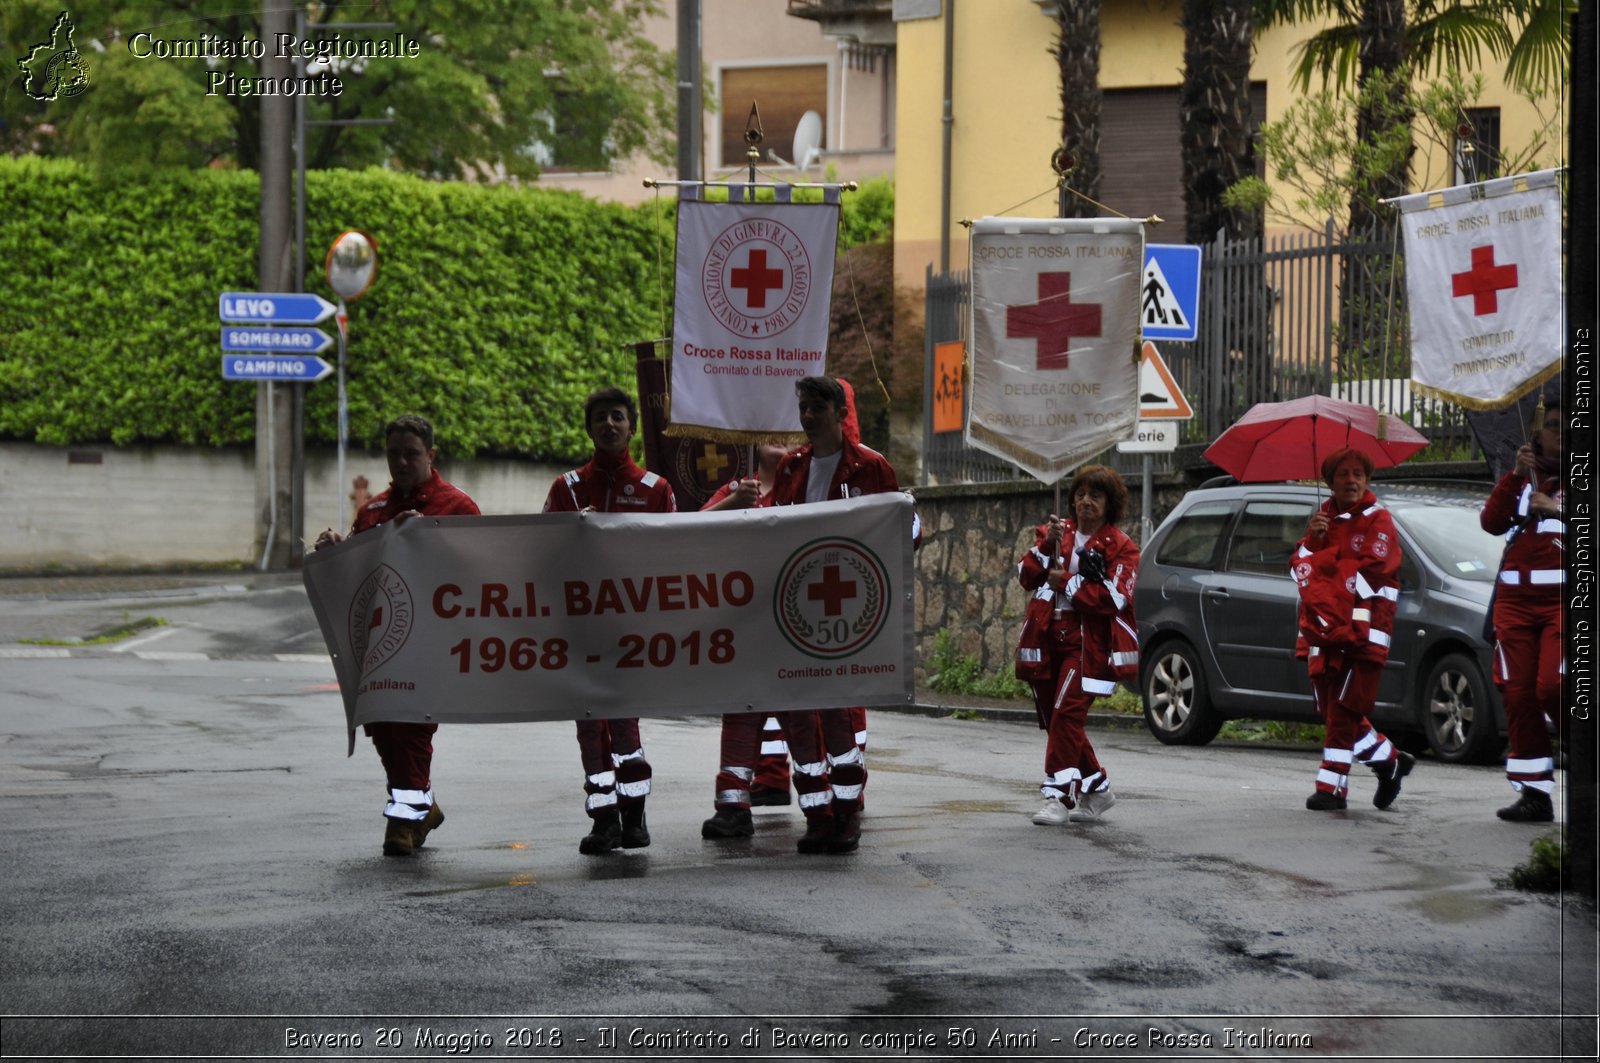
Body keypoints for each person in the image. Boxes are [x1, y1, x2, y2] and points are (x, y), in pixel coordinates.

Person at [314, 414, 481, 857]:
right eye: (394, 454)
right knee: (383, 726)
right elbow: (357, 576)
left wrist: (424, 539)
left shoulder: (458, 506)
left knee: (412, 728)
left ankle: (402, 822)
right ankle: (422, 807)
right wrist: (336, 552)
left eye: (411, 454)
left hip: (434, 643)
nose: (402, 462)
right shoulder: (372, 511)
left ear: (432, 455)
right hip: (381, 644)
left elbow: (482, 572)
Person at [761, 376, 911, 854]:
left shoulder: (870, 466)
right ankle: (816, 815)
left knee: (838, 713)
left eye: (816, 408)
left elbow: (899, 529)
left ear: (840, 411)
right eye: (802, 408)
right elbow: (770, 526)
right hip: (795, 604)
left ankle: (847, 814)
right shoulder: (789, 468)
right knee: (799, 715)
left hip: (844, 604)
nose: (807, 417)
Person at [542, 386, 677, 854]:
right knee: (589, 729)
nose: (609, 424)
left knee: (625, 728)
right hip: (581, 632)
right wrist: (569, 533)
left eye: (618, 417)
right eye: (600, 418)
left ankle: (635, 818)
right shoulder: (566, 488)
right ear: (589, 428)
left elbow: (676, 558)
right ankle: (603, 821)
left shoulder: (657, 489)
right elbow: (541, 557)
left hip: (632, 633)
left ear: (632, 427)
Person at [1015, 465, 1140, 826]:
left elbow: (1114, 599)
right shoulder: (1055, 533)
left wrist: (1066, 582)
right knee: (1056, 719)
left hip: (1087, 646)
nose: (1086, 502)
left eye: (1096, 496)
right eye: (1081, 494)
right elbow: (1025, 577)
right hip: (1045, 640)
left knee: (1066, 714)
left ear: (1109, 504)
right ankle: (1098, 788)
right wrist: (1044, 545)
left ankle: (1058, 797)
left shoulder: (1122, 546)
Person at [1291, 447, 1414, 811]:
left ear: (1368, 478)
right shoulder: (1320, 521)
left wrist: (1322, 566)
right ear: (1329, 482)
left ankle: (1331, 788)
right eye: (1343, 474)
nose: (1351, 480)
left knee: (1345, 710)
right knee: (1331, 711)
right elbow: (1298, 569)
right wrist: (1314, 542)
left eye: (1358, 473)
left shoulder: (1380, 520)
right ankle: (1390, 761)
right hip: (1324, 632)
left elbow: (1374, 569)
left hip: (1363, 633)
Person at [700, 441, 800, 838]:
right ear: (755, 445)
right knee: (740, 708)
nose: (782, 445)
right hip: (744, 618)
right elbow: (686, 530)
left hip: (795, 622)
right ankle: (733, 805)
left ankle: (825, 806)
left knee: (803, 712)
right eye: (772, 438)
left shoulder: (810, 487)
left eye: (788, 436)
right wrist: (735, 502)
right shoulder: (737, 489)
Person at [1480, 399, 1565, 823]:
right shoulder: (1520, 478)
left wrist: (1559, 510)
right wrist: (1515, 476)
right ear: (1537, 432)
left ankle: (1587, 757)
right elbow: (1491, 523)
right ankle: (1534, 793)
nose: (1560, 432)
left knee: (1553, 685)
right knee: (1518, 694)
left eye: (1569, 426)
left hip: (1564, 604)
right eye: (1552, 425)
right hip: (1514, 606)